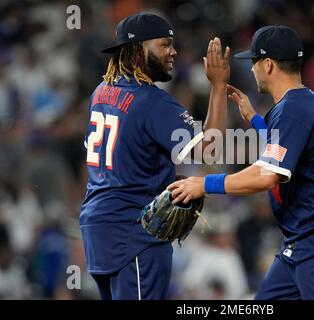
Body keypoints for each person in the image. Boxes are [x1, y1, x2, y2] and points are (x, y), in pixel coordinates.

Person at [168, 25, 314, 300]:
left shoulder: (292, 111)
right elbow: (292, 150)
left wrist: (204, 183)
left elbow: (266, 174)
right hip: (303, 241)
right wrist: (257, 121)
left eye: (254, 61)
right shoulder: (306, 100)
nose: (251, 69)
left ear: (268, 64)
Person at [80, 13, 230, 300]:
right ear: (137, 50)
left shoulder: (100, 92)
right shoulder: (152, 101)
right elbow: (210, 150)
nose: (173, 51)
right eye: (164, 45)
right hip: (133, 231)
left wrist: (162, 177)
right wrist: (219, 86)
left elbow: (122, 156)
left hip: (97, 228)